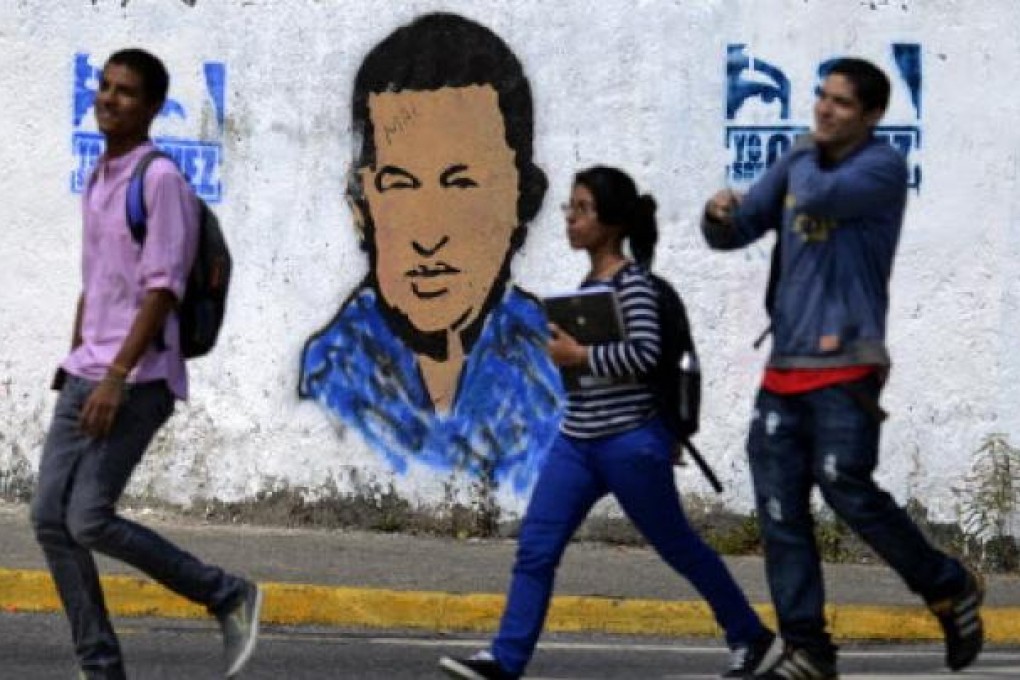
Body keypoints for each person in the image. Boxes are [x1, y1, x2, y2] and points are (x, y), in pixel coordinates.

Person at [701, 58, 983, 679]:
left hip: (847, 366)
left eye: (842, 104)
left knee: (846, 487)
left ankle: (948, 585)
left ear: (873, 115)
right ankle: (808, 648)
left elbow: (818, 193)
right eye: (822, 97)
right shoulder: (803, 159)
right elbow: (739, 230)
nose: (825, 110)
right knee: (780, 513)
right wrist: (720, 213)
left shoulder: (879, 168)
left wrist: (796, 156)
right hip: (784, 370)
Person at [440, 166, 777, 680]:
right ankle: (505, 662)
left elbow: (645, 354)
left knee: (677, 545)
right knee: (536, 547)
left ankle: (749, 634)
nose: (571, 219)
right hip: (577, 440)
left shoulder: (633, 284)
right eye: (569, 208)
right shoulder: (586, 287)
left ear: (612, 223)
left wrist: (579, 355)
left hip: (629, 443)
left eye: (582, 209)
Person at [30, 49, 261, 680]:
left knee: (88, 516)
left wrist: (113, 376)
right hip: (87, 371)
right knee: (50, 518)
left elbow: (162, 289)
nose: (108, 98)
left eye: (126, 92)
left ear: (153, 106)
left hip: (138, 380)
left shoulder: (159, 181)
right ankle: (100, 665)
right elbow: (98, 282)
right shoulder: (100, 176)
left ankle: (227, 593)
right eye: (104, 88)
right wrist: (77, 358)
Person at [299, 13, 562, 491]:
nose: (427, 234)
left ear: (523, 199)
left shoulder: (551, 368)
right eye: (399, 185)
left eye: (460, 184)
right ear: (362, 207)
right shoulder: (330, 374)